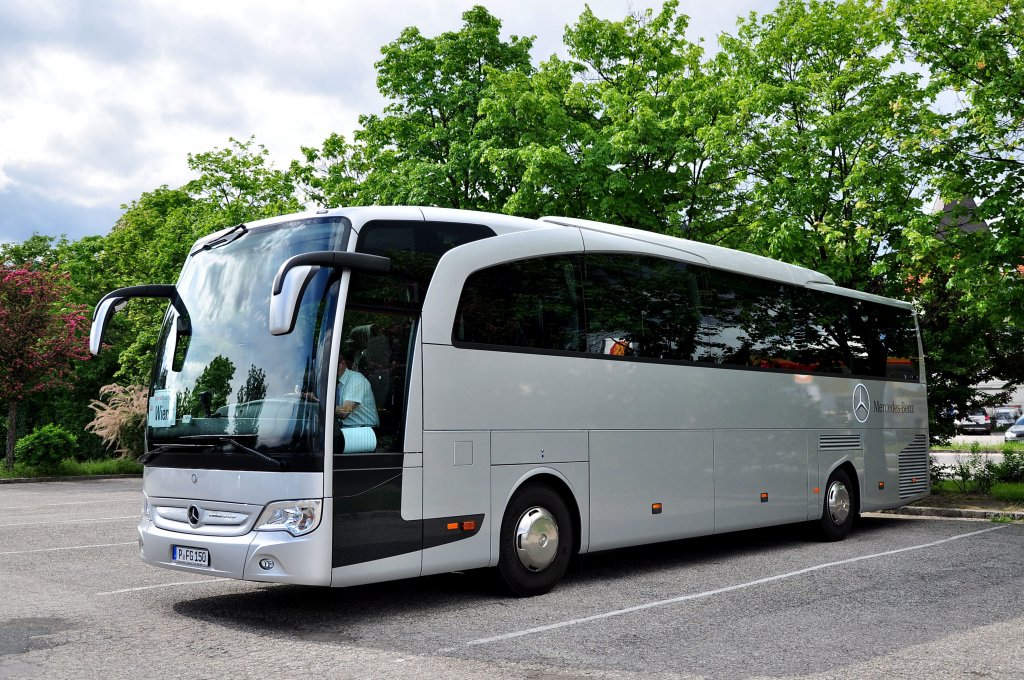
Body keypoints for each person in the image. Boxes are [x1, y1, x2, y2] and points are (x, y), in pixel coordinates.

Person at [335, 349, 379, 429]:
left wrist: (319, 402)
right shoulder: (337, 382)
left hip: (362, 432)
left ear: (342, 364)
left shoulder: (356, 380)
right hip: (348, 429)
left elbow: (344, 412)